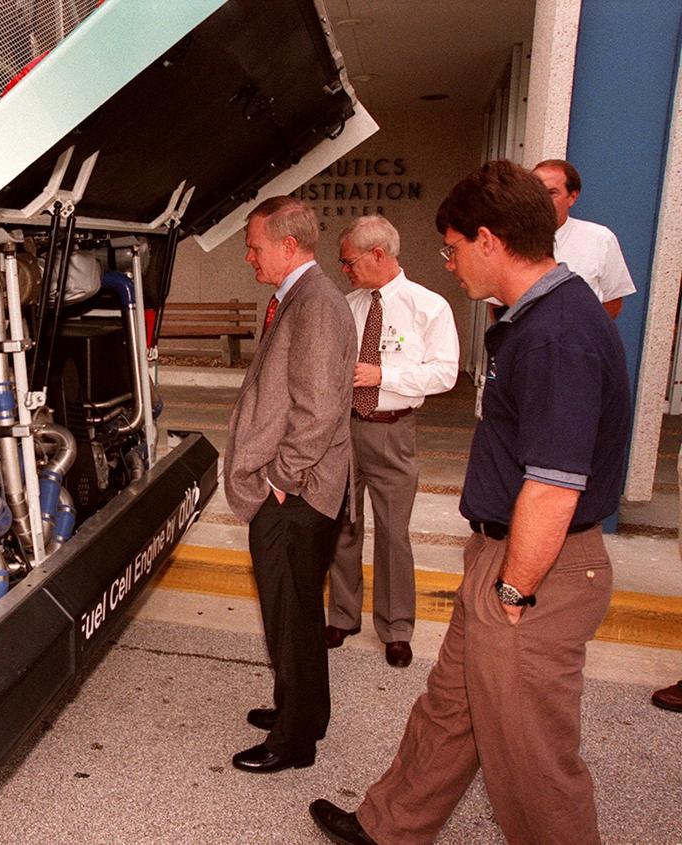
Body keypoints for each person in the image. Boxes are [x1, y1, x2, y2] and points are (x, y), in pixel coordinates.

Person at [309, 160, 631, 845]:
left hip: (537, 566)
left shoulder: (558, 334)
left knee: (532, 759)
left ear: (489, 239)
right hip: (505, 552)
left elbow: (553, 483)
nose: (448, 263)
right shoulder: (539, 316)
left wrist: (513, 590)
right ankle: (387, 826)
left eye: (452, 248)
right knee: (451, 709)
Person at [224, 195, 355, 773]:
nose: (248, 256)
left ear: (287, 245)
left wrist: (281, 479)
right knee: (295, 609)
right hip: (296, 488)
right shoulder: (296, 298)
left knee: (292, 612)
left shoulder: (317, 305)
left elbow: (319, 408)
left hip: (298, 493)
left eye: (254, 246)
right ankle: (301, 710)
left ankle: (294, 740)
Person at [327, 216, 459, 668]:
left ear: (378, 254)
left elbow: (445, 372)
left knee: (393, 534)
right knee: (343, 524)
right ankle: (343, 616)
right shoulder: (348, 305)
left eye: (349, 261)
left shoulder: (429, 307)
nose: (345, 269)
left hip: (393, 430)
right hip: (344, 429)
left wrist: (386, 376)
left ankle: (396, 627)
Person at [533, 158, 636, 319]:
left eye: (552, 193)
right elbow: (497, 306)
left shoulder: (600, 239)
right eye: (536, 192)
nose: (542, 200)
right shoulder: (508, 239)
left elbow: (613, 302)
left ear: (572, 197)